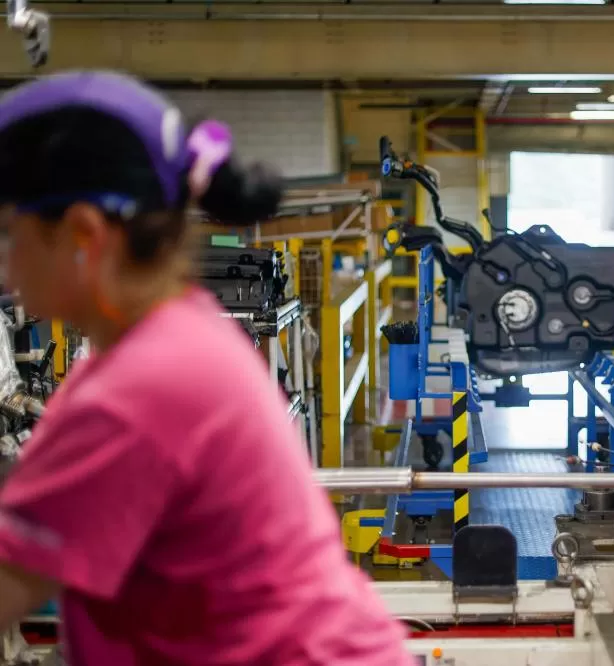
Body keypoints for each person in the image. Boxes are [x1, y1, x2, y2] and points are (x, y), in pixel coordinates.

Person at [0, 71, 413, 665]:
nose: (7, 267)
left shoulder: (142, 388)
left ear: (84, 235)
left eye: (9, 234)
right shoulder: (170, 339)